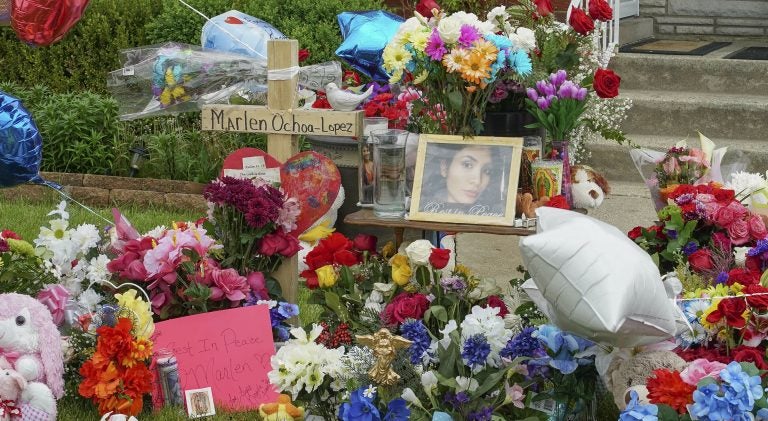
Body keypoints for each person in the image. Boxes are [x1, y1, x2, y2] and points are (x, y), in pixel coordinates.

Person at [418, 143, 511, 216]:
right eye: (467, 165)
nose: (477, 181)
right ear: (444, 167)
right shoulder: (423, 208)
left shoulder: (495, 214)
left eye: (487, 171)